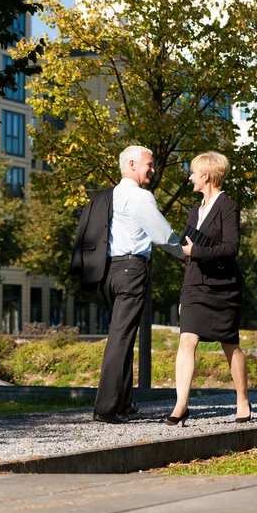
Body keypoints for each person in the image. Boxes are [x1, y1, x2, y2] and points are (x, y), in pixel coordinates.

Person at [69, 145, 185, 424]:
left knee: (124, 334)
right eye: (150, 164)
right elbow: (162, 235)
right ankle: (106, 408)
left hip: (108, 273)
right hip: (132, 271)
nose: (153, 169)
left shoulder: (104, 196)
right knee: (121, 337)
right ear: (132, 164)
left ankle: (122, 403)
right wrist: (183, 252)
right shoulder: (140, 197)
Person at [165, 151, 250, 426]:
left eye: (193, 173)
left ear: (206, 176)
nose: (190, 177)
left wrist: (196, 250)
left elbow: (231, 248)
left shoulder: (228, 206)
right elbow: (188, 253)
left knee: (230, 345)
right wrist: (183, 293)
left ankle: (242, 399)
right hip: (195, 285)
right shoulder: (194, 211)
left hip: (223, 286)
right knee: (186, 340)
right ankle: (181, 405)